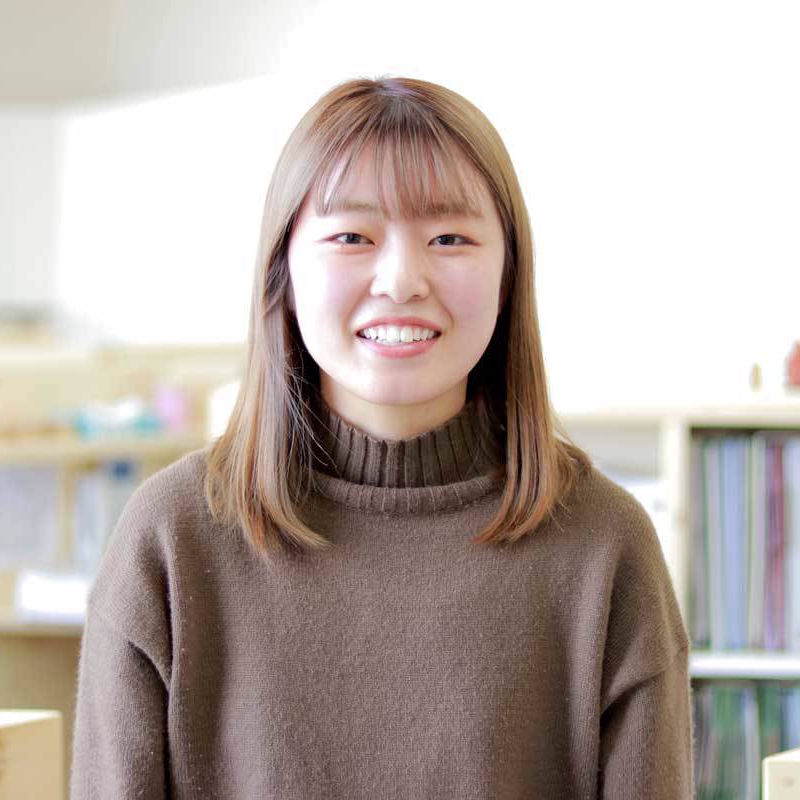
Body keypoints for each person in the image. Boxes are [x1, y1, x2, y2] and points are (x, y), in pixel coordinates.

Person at [70, 75, 693, 799]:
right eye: (352, 237)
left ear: (509, 273)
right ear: (283, 269)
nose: (401, 280)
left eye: (450, 238)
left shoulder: (605, 544)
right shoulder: (171, 537)